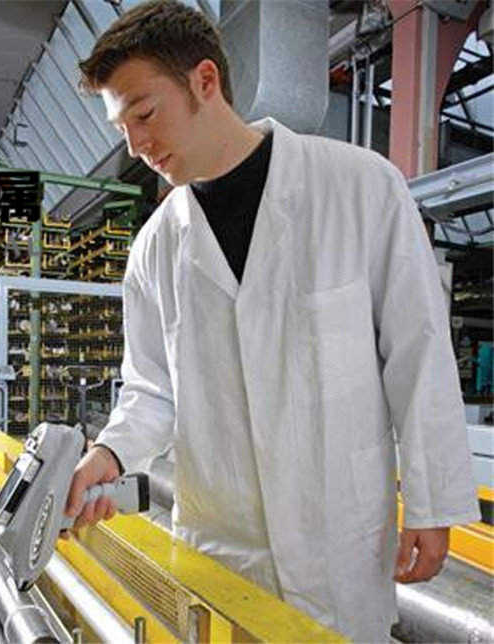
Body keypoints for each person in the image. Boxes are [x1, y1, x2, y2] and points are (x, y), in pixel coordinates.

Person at [61, 1, 480, 640]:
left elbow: (418, 353)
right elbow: (150, 389)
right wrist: (108, 453)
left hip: (338, 542)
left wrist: (431, 501)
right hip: (221, 546)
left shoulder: (360, 187)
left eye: (144, 115)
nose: (137, 146)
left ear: (205, 81)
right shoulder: (155, 248)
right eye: (123, 128)